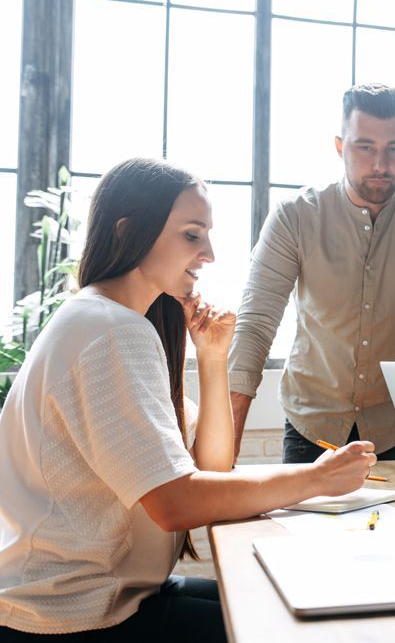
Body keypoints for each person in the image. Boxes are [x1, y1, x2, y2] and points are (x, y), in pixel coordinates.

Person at [0, 158, 375, 640]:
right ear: (129, 232)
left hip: (108, 596)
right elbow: (176, 503)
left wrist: (213, 359)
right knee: (295, 625)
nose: (210, 254)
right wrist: (317, 478)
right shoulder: (111, 330)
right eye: (192, 235)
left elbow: (210, 472)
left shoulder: (109, 320)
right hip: (70, 615)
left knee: (269, 596)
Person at [228, 83, 395, 464]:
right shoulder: (294, 216)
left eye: (393, 149)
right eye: (365, 147)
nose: (381, 165)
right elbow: (255, 326)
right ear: (339, 146)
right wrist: (224, 457)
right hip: (311, 426)